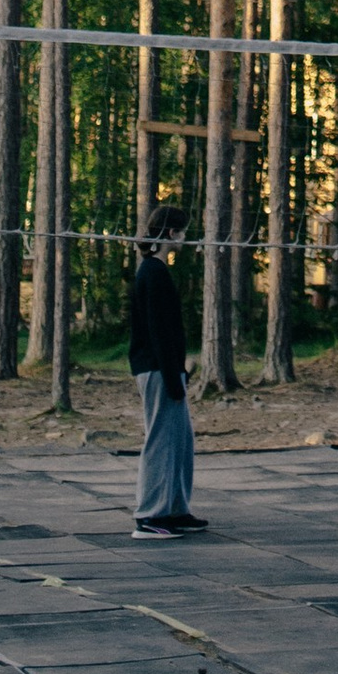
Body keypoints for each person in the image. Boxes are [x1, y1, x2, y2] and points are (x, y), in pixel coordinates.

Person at [129, 200, 198, 542]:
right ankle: (149, 516)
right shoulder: (152, 273)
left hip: (167, 368)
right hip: (157, 369)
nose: (185, 238)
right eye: (183, 231)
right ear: (172, 233)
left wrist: (179, 371)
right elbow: (158, 332)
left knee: (181, 439)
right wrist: (173, 377)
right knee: (160, 440)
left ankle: (174, 509)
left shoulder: (157, 271)